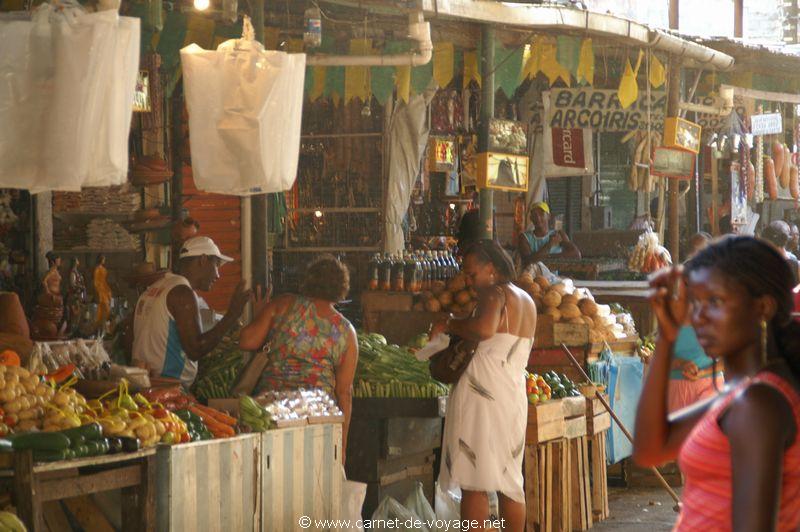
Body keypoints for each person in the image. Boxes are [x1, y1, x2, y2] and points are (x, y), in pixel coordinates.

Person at [634, 236, 800, 530]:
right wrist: (667, 337)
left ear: (762, 308)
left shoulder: (758, 404)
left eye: (715, 301)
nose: (699, 316)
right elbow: (651, 449)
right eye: (695, 302)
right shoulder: (744, 393)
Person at [430, 240, 536, 532]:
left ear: (491, 269)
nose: (468, 280)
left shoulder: (494, 293)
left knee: (474, 482)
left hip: (483, 392)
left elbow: (484, 329)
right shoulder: (525, 299)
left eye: (471, 273)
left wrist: (450, 323)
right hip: (511, 392)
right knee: (509, 481)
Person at [237, 255, 358, 459]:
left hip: (271, 411)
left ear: (308, 280)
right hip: (316, 416)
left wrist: (262, 314)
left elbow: (246, 341)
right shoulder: (346, 331)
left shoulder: (284, 304)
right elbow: (344, 393)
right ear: (341, 288)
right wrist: (342, 447)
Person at [132, 236, 250, 388]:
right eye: (217, 265)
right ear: (203, 260)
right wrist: (232, 314)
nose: (218, 275)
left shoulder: (157, 287)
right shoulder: (182, 292)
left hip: (146, 382)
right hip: (165, 386)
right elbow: (196, 349)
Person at [518, 202, 580, 267]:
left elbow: (576, 255)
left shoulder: (558, 234)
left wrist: (547, 257)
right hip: (533, 276)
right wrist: (549, 245)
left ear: (549, 216)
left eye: (541, 214)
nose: (538, 218)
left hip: (555, 276)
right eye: (534, 215)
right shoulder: (524, 237)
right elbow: (527, 261)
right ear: (531, 218)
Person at [93, 255, 112, 331]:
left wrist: (108, 289)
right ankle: (99, 328)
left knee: (107, 309)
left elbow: (104, 280)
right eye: (103, 259)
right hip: (100, 290)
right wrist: (98, 291)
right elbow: (95, 282)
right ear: (101, 259)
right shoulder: (97, 269)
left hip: (104, 289)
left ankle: (106, 329)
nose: (104, 260)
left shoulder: (103, 269)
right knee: (102, 310)